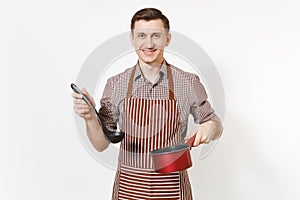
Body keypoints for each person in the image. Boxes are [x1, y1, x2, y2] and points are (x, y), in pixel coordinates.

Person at [72, 8, 223, 200]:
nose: (149, 44)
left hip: (172, 191)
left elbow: (216, 124)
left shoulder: (188, 82)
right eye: (141, 35)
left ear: (167, 39)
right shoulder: (116, 84)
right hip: (128, 191)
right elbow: (101, 144)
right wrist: (89, 118)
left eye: (156, 36)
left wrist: (211, 126)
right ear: (132, 39)